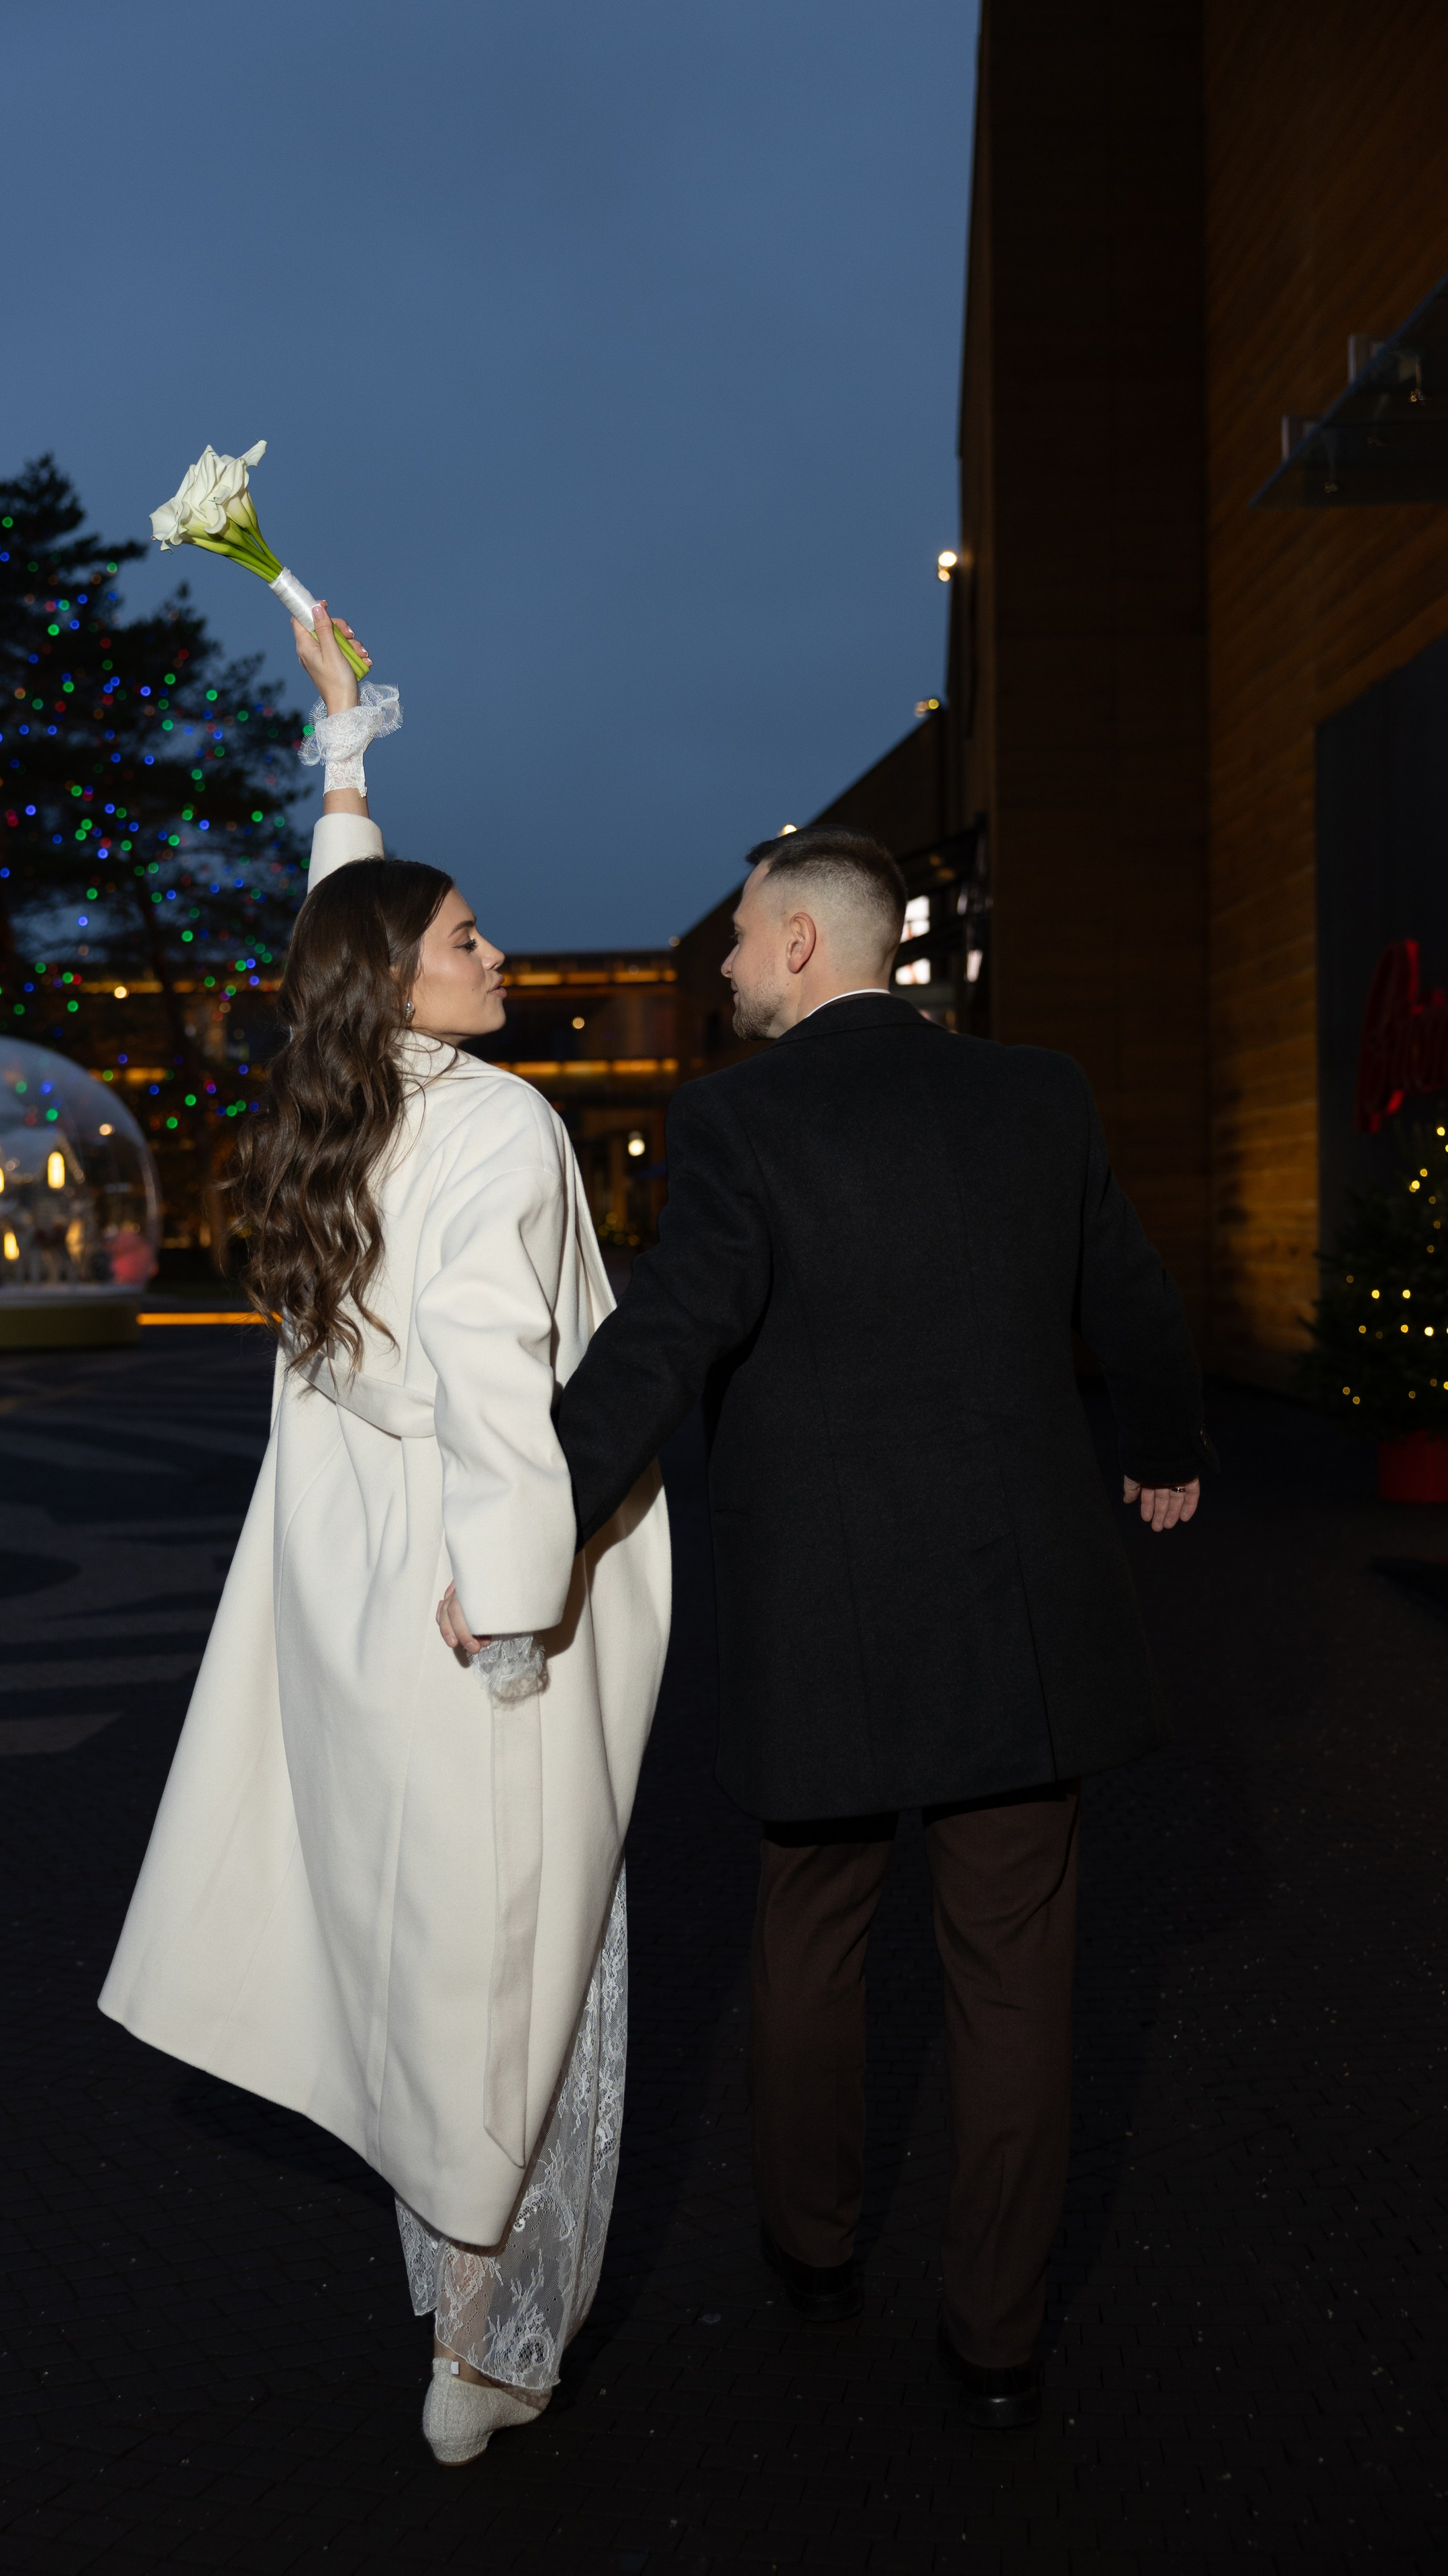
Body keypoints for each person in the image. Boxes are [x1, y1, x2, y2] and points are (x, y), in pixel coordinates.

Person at [532, 827, 1210, 2431]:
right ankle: (993, 2334)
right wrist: (1164, 1442)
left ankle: (813, 2251)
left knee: (810, 1939)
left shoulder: (734, 1118)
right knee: (1012, 1973)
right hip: (1018, 1613)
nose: (712, 968)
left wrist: (530, 1516)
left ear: (796, 949)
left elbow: (668, 1338)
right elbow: (1126, 1286)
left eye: (733, 937)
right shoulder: (1034, 1090)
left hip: (818, 1621)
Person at [101, 603, 670, 2467]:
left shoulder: (327, 1110)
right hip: (468, 1591)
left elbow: (336, 929)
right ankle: (490, 2352)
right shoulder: (498, 1127)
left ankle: (453, 2299)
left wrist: (345, 751)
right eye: (466, 937)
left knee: (420, 1954)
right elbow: (508, 1391)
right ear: (409, 985)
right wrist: (517, 1612)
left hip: (352, 1594)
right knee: (528, 1970)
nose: (496, 955)